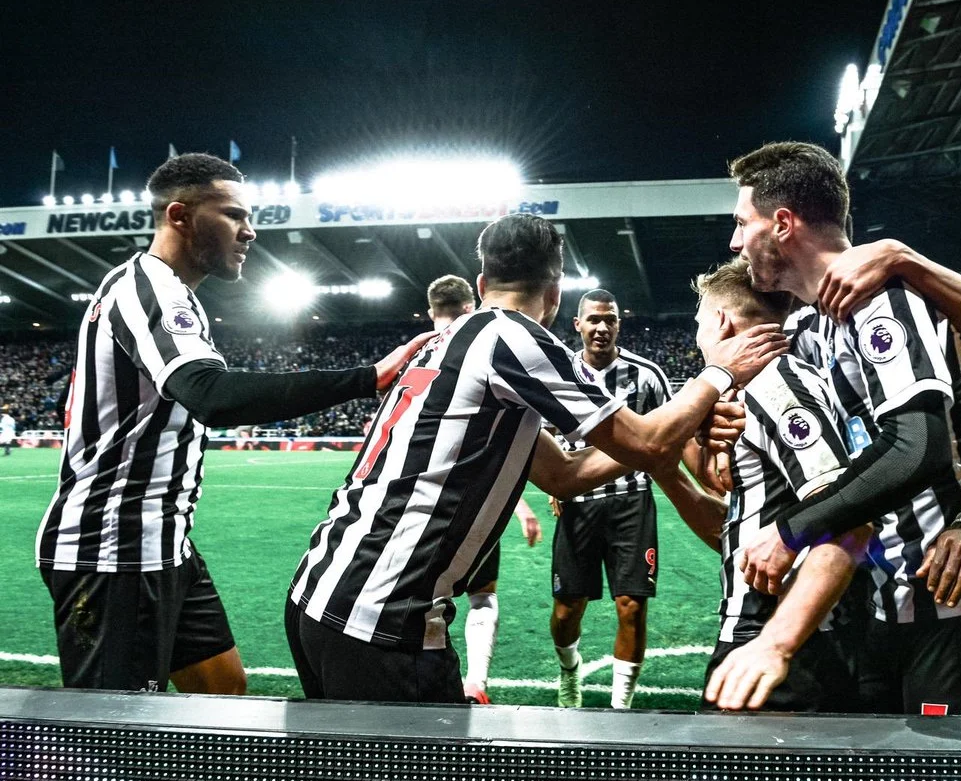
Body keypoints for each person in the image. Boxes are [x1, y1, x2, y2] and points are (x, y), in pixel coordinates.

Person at [286, 213, 786, 704]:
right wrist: (717, 375)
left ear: (482, 283)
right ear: (555, 292)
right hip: (383, 614)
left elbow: (563, 475)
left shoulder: (454, 341)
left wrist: (679, 428)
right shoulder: (513, 338)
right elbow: (647, 443)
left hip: (321, 591)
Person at [36, 152, 427, 695]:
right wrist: (367, 377)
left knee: (223, 692)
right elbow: (212, 396)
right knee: (113, 727)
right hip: (111, 549)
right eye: (234, 215)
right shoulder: (147, 288)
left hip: (164, 539)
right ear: (179, 215)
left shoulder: (166, 293)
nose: (250, 231)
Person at [730, 141, 961, 715]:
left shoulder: (882, 299)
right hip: (889, 592)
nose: (734, 241)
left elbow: (916, 449)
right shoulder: (812, 327)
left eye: (741, 223)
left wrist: (789, 531)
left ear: (782, 224)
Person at [656, 259, 874, 711]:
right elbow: (749, 528)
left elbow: (847, 520)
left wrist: (776, 643)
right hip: (770, 633)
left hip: (778, 638)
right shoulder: (753, 391)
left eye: (699, 324)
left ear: (721, 322)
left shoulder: (778, 385)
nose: (698, 337)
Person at [550, 289, 672, 709]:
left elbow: (671, 432)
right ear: (578, 325)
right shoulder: (559, 372)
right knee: (567, 609)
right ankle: (569, 671)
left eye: (610, 320)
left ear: (620, 324)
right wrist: (556, 483)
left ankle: (622, 708)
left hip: (632, 501)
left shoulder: (647, 375)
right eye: (594, 319)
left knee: (631, 606)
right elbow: (542, 432)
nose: (602, 327)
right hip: (578, 504)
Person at [426, 273, 544, 704]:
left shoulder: (417, 355)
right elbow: (499, 445)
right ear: (469, 305)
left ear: (430, 311)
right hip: (472, 506)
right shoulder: (484, 346)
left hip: (408, 510)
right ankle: (475, 682)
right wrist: (520, 506)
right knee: (481, 596)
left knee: (416, 599)